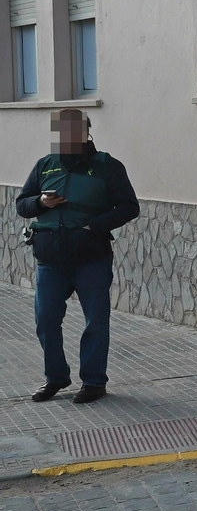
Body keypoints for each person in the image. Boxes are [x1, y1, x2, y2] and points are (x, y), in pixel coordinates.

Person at [15, 109, 139, 404]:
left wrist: (93, 226)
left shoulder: (107, 166)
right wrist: (41, 202)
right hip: (50, 262)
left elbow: (129, 207)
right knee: (45, 320)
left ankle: (94, 382)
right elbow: (22, 204)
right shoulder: (45, 165)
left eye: (73, 132)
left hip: (91, 258)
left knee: (96, 320)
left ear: (85, 133)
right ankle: (55, 378)